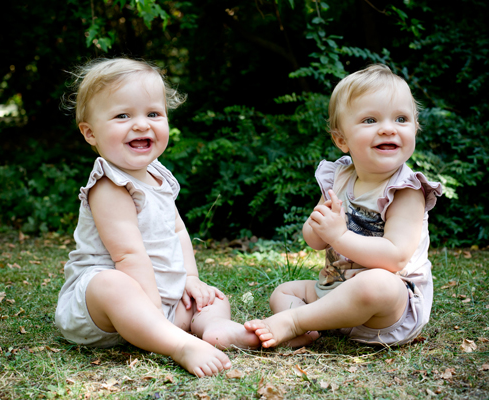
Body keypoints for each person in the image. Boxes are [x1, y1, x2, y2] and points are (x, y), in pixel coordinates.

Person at [55, 58, 259, 378]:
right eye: (123, 115)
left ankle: (217, 328)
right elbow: (128, 254)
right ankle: (179, 344)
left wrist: (190, 279)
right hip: (102, 311)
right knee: (112, 283)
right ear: (90, 132)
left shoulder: (157, 175)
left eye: (153, 114)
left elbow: (177, 229)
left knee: (210, 296)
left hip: (162, 301)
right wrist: (152, 313)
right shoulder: (109, 185)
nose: (141, 124)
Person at [245, 64, 442, 348]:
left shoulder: (405, 190)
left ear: (415, 128)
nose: (388, 128)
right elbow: (314, 237)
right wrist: (320, 228)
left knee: (378, 284)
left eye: (401, 119)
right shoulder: (339, 176)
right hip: (334, 289)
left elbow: (395, 257)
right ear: (341, 139)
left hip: (387, 309)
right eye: (370, 120)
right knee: (283, 291)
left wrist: (339, 236)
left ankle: (296, 322)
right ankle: (314, 327)